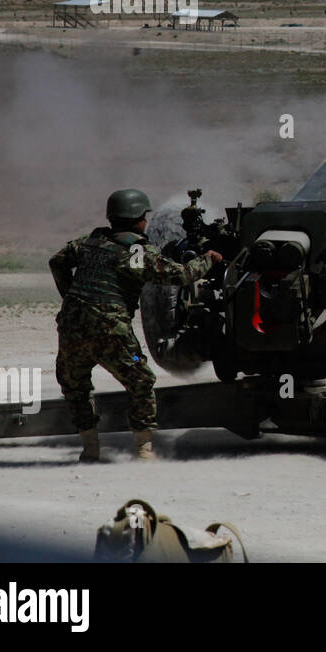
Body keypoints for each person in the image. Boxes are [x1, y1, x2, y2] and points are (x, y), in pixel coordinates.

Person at [49, 189, 222, 462]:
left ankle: (90, 449)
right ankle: (143, 450)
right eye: (144, 218)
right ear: (139, 220)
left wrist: (70, 296)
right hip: (111, 330)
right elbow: (182, 275)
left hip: (71, 326)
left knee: (75, 386)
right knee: (141, 382)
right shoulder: (137, 253)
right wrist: (209, 259)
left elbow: (57, 261)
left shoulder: (87, 243)